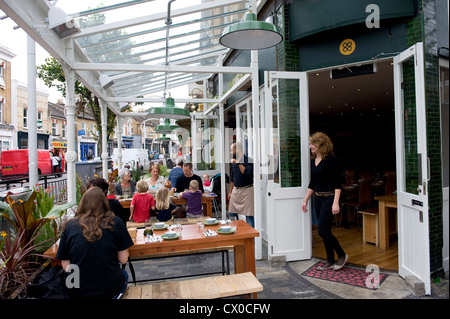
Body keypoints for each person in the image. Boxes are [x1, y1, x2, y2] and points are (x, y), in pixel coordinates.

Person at [56, 187, 133, 299]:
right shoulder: (115, 222)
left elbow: (65, 265)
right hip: (109, 288)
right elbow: (123, 259)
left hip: (77, 290)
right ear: (104, 203)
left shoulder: (70, 226)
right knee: (124, 274)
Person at [301, 132, 348, 271]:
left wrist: (335, 202)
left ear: (320, 144)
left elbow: (337, 183)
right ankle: (330, 260)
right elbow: (313, 183)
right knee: (325, 230)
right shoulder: (313, 161)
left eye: (312, 144)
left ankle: (342, 255)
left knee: (322, 231)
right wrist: (305, 200)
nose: (310, 146)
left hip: (329, 198)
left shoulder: (330, 160)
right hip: (318, 199)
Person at [228, 142, 254, 228]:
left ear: (238, 150)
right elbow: (232, 177)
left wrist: (238, 163)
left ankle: (251, 239)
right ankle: (236, 233)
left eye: (233, 150)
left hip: (247, 190)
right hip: (236, 190)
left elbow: (247, 173)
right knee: (231, 213)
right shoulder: (233, 161)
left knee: (249, 215)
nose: (231, 152)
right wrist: (230, 192)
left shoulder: (249, 160)